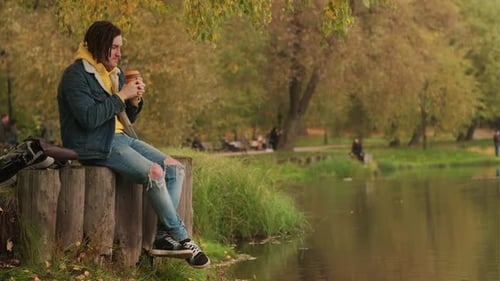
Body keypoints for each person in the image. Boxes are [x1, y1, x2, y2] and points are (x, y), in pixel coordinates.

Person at [57, 21, 209, 269]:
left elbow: (125, 118)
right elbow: (89, 119)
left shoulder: (113, 73)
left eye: (120, 48)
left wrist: (134, 101)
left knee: (175, 168)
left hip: (121, 138)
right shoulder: (75, 76)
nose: (119, 53)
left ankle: (163, 237)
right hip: (93, 143)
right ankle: (183, 238)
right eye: (114, 47)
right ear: (99, 45)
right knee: (155, 172)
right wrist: (120, 96)